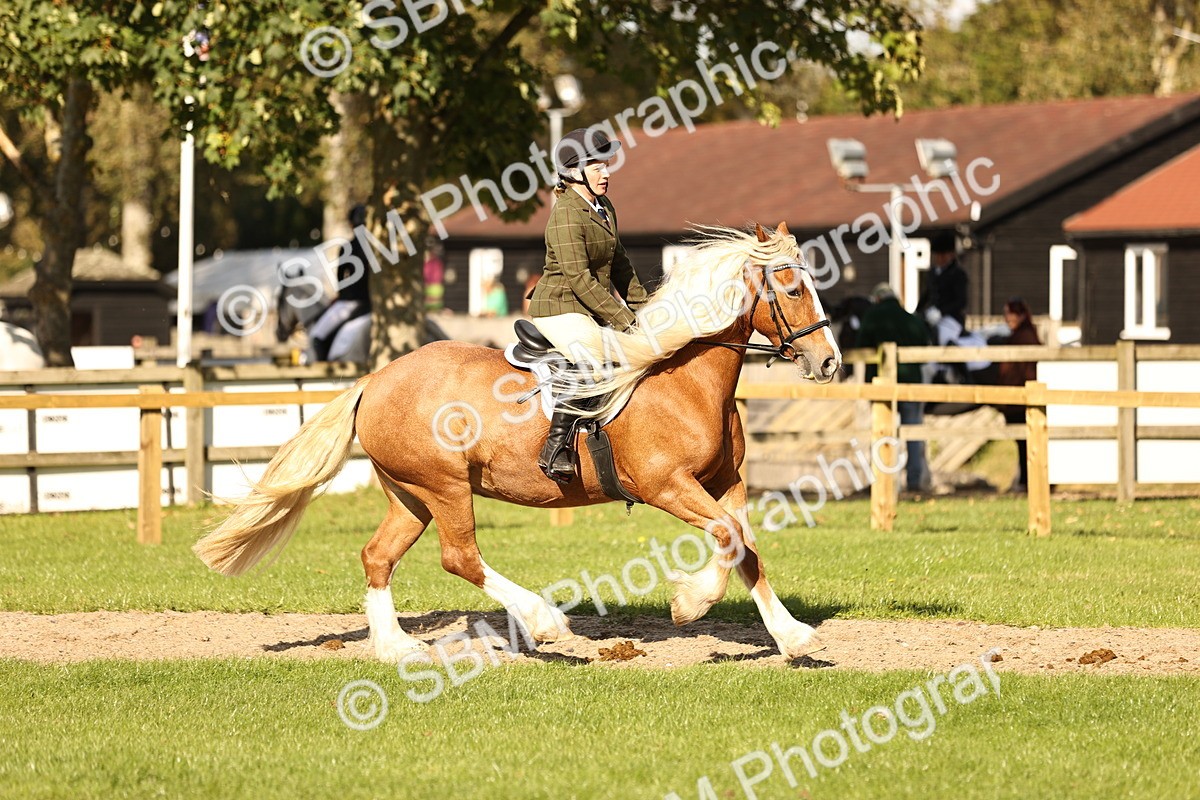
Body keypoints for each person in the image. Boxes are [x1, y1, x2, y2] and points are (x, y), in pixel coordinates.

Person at [527, 127, 649, 483]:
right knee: (590, 359)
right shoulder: (566, 213)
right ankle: (555, 447)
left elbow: (620, 261)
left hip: (589, 307)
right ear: (573, 172)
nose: (606, 172)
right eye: (596, 166)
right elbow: (579, 279)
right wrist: (625, 320)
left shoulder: (604, 206)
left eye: (606, 164)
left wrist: (646, 309)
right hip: (560, 307)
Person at [856, 282, 932, 492]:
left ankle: (882, 480)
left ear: (877, 299)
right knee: (913, 432)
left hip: (881, 385)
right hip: (910, 384)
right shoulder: (911, 319)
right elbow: (925, 345)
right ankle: (915, 481)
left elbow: (860, 343)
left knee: (882, 432)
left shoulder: (872, 316)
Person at [308, 204, 371, 362]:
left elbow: (341, 279)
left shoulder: (347, 248)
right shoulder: (376, 246)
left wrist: (340, 296)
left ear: (351, 224)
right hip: (371, 301)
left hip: (350, 301)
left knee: (317, 336)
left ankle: (323, 368)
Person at [997, 297, 1040, 492]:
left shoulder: (1022, 338)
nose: (1008, 318)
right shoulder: (1022, 335)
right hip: (1017, 396)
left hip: (1020, 397)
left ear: (1020, 315)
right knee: (1024, 441)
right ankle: (1026, 479)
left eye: (1011, 313)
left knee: (1026, 441)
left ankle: (1028, 481)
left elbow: (1020, 371)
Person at [917, 230, 969, 342]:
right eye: (937, 255)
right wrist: (916, 312)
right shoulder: (932, 273)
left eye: (942, 255)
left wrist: (941, 312)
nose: (939, 258)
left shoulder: (958, 274)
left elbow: (961, 301)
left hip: (951, 320)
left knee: (944, 338)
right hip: (932, 315)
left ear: (951, 254)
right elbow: (926, 294)